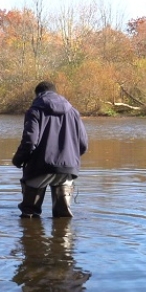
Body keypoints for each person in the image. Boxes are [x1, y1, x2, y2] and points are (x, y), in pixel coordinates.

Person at [12, 81, 88, 218]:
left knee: (29, 214)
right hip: (67, 168)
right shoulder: (73, 112)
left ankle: (32, 238)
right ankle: (63, 237)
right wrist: (69, 158)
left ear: (38, 94)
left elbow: (30, 141)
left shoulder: (35, 111)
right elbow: (83, 144)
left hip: (38, 167)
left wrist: (18, 159)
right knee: (63, 217)